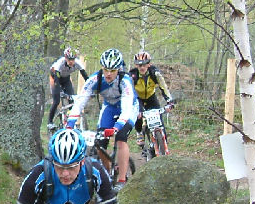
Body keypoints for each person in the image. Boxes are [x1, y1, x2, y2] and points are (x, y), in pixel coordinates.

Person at [66, 48, 138, 192]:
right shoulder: (95, 79)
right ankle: (106, 174)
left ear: (118, 69)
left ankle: (122, 179)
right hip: (109, 108)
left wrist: (117, 127)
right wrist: (70, 124)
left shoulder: (125, 81)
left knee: (121, 138)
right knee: (99, 142)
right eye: (105, 69)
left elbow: (126, 108)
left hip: (128, 108)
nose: (108, 74)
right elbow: (80, 102)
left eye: (112, 70)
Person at [129, 50, 173, 146]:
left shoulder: (155, 73)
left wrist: (169, 101)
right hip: (138, 98)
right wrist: (136, 107)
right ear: (136, 65)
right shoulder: (132, 76)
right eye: (139, 65)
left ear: (149, 64)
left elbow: (163, 87)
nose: (142, 67)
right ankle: (139, 132)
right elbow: (130, 92)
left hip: (151, 97)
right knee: (138, 115)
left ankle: (164, 144)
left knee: (159, 119)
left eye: (144, 64)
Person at [47, 47, 89, 130]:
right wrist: (60, 90)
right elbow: (57, 79)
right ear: (65, 58)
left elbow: (86, 77)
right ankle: (50, 122)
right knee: (56, 101)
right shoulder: (60, 64)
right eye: (69, 59)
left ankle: (71, 121)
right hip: (55, 77)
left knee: (72, 100)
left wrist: (92, 88)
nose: (71, 61)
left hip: (66, 79)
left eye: (73, 59)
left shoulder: (78, 63)